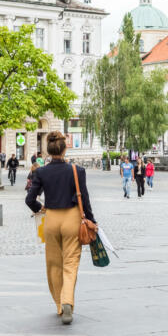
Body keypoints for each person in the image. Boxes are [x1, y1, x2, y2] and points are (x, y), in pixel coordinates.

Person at [25, 131, 96, 325]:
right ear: (65, 149)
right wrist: (92, 221)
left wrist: (41, 208)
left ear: (48, 150)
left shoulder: (40, 172)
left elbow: (30, 199)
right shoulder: (77, 171)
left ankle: (58, 304)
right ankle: (67, 302)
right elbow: (85, 199)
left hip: (51, 219)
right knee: (70, 263)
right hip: (72, 218)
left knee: (53, 264)